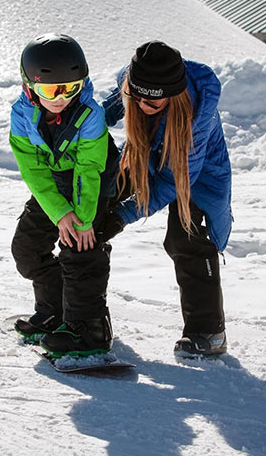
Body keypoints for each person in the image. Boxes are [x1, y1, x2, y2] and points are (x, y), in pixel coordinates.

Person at [98, 40, 232, 357]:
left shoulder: (198, 115)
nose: (143, 105)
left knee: (186, 240)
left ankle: (209, 332)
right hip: (145, 156)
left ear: (171, 96)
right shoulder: (130, 80)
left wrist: (122, 218)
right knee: (98, 202)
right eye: (137, 97)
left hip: (196, 176)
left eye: (153, 103)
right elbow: (110, 109)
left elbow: (171, 183)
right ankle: (86, 314)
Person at [9, 33, 119, 358]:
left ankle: (89, 330)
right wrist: (59, 212)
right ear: (30, 86)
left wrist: (82, 219)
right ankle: (55, 312)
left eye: (71, 88)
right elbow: (33, 170)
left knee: (79, 245)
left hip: (93, 181)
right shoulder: (21, 115)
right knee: (27, 248)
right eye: (51, 90)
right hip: (53, 183)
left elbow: (89, 169)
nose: (61, 98)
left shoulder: (90, 114)